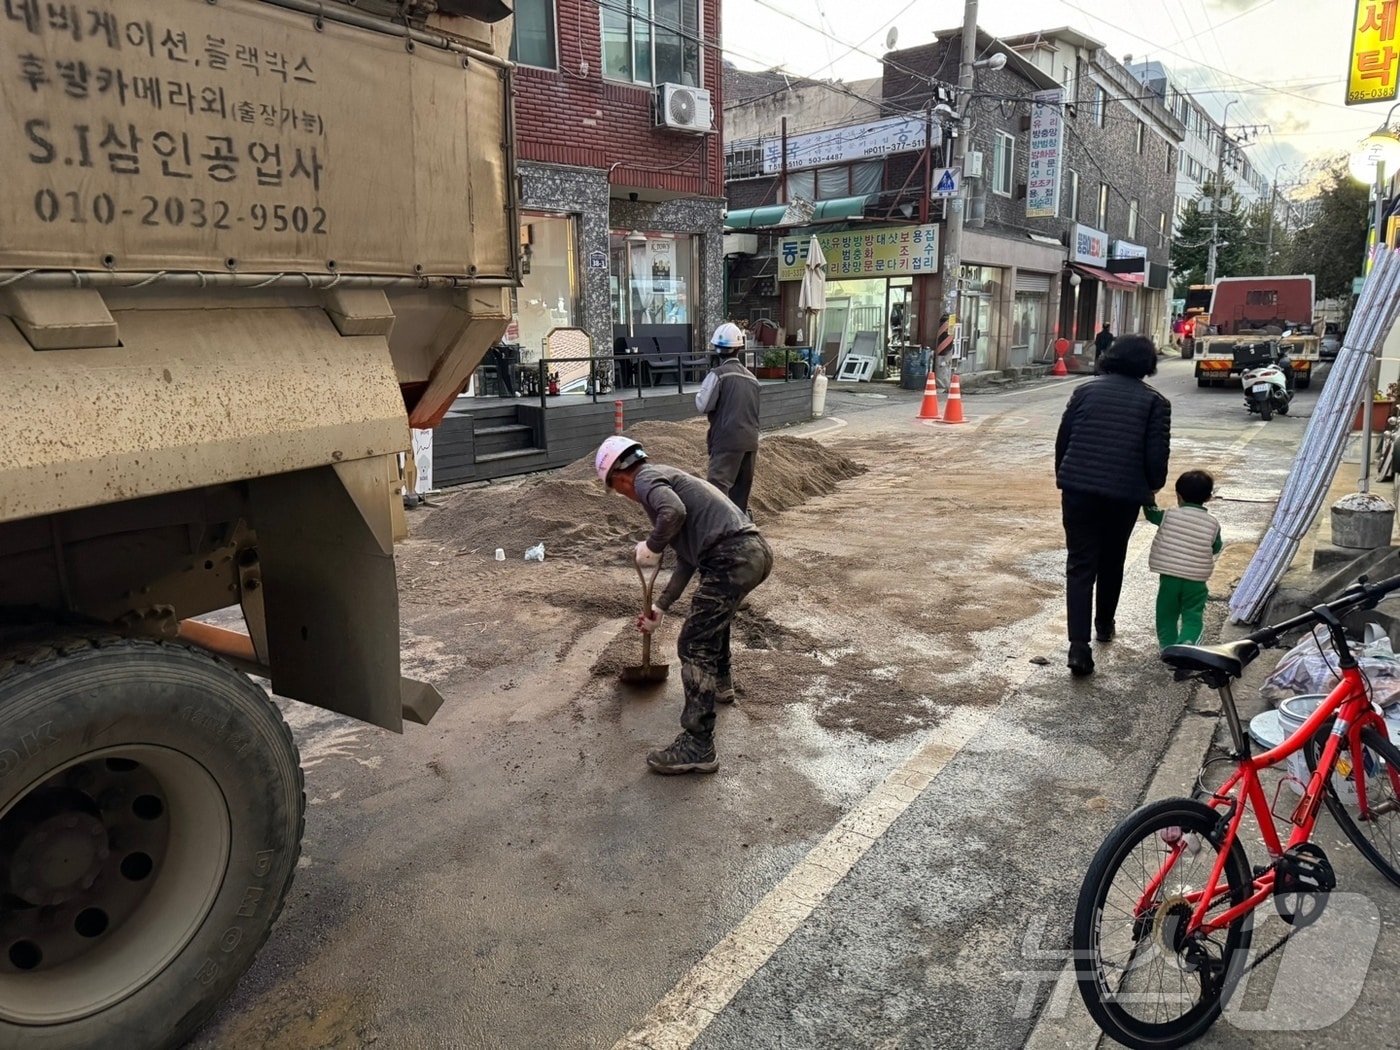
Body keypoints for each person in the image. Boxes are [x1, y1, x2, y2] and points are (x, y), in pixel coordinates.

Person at [595, 436, 774, 774]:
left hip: (731, 556)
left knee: (694, 642)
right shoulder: (668, 478)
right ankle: (721, 682)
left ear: (620, 478)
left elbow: (673, 512)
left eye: (617, 489)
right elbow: (689, 560)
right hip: (752, 553)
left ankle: (698, 744)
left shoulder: (647, 478)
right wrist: (661, 607)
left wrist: (652, 544)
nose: (624, 495)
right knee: (712, 622)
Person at [1055, 336, 1171, 677]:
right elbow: (1156, 459)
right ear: (1147, 365)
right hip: (1124, 495)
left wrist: (1066, 475)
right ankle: (1104, 625)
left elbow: (1064, 439)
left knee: (1079, 564)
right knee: (1112, 558)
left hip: (1078, 490)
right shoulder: (1155, 402)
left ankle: (1079, 647)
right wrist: (1151, 488)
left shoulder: (1085, 391)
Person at [1144, 470, 1222, 649]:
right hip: (1196, 581)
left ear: (1178, 495)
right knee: (1193, 616)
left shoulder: (1168, 516)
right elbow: (1216, 547)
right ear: (1208, 497)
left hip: (1169, 579)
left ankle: (1167, 648)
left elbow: (1151, 513)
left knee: (1166, 614)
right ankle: (1188, 644)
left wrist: (1147, 497)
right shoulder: (1213, 524)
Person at [695, 322, 761, 515]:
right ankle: (741, 532)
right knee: (740, 494)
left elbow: (703, 404)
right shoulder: (753, 379)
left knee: (717, 490)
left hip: (726, 441)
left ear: (717, 349)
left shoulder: (718, 375)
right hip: (750, 441)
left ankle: (717, 535)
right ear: (740, 349)